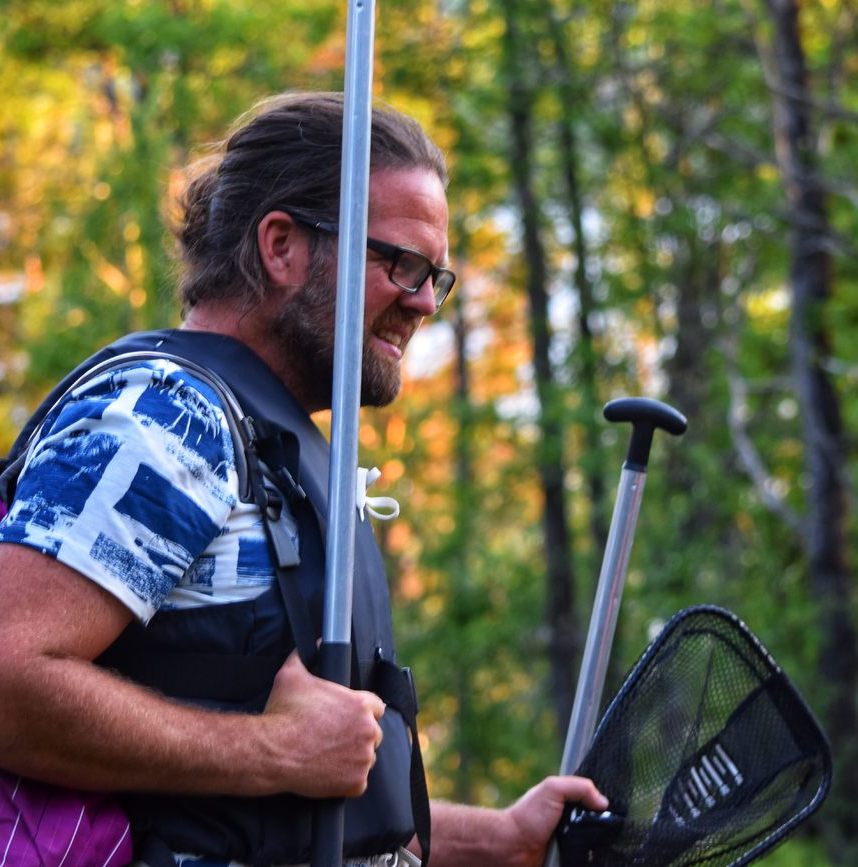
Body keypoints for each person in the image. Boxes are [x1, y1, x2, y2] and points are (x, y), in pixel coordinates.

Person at [0, 92, 605, 866]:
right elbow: (11, 674)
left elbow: (313, 805)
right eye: (402, 263)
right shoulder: (168, 414)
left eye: (436, 277)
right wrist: (272, 749)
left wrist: (506, 838)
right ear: (282, 246)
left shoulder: (273, 448)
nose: (424, 301)